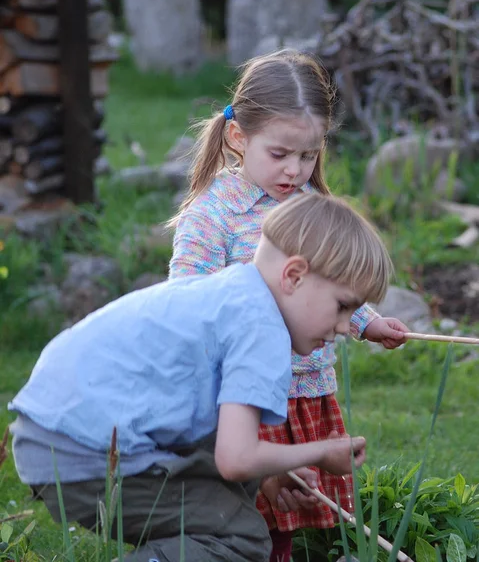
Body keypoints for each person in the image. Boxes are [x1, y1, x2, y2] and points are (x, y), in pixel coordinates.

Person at [9, 193, 391, 562]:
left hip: (54, 432)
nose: (345, 327)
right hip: (84, 452)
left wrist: (274, 473)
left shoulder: (233, 293)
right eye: (343, 306)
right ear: (293, 276)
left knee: (234, 497)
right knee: (240, 537)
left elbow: (220, 444)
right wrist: (321, 452)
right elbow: (235, 459)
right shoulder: (262, 328)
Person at [169, 49, 409, 562]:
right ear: (238, 137)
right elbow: (185, 297)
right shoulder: (214, 214)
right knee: (247, 509)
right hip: (246, 393)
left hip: (304, 388)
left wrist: (367, 323)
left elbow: (332, 286)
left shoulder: (307, 207)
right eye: (280, 154)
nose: (295, 170)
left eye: (308, 155)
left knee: (289, 514)